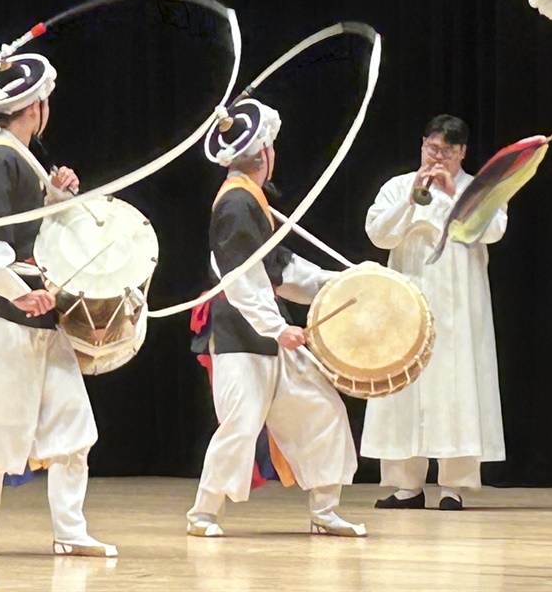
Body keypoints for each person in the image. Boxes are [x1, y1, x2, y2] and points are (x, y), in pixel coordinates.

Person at [0, 53, 116, 558]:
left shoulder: (21, 157)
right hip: (2, 318)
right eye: (47, 102)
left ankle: (70, 531)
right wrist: (20, 291)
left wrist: (54, 199)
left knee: (73, 427)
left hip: (39, 313)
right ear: (36, 104)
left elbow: (27, 228)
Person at [186, 98, 364, 539]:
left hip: (266, 328)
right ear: (264, 151)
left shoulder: (252, 200)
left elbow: (278, 268)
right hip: (239, 330)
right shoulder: (236, 203)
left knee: (320, 408)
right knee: (241, 422)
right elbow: (242, 276)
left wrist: (338, 282)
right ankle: (202, 513)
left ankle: (325, 510)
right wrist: (277, 326)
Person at [361, 114, 506, 511]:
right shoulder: (397, 186)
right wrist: (411, 199)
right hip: (409, 296)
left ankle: (453, 486)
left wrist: (452, 197)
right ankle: (404, 485)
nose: (435, 157)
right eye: (430, 147)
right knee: (404, 383)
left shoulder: (480, 187)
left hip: (459, 300)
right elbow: (378, 234)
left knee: (455, 384)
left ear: (461, 152)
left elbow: (491, 230)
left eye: (444, 150)